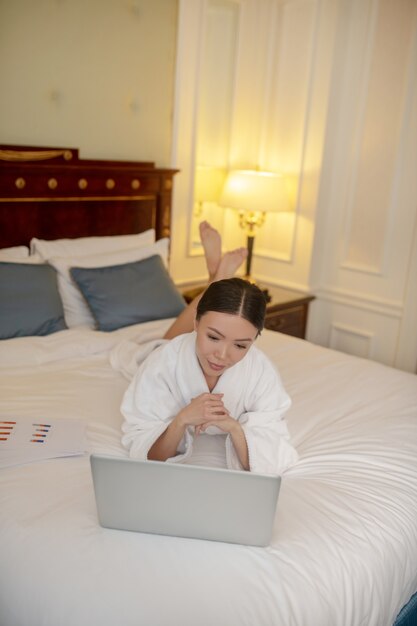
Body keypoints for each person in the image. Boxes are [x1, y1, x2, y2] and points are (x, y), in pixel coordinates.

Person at [121, 222, 298, 475]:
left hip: (192, 339)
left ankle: (216, 279)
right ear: (195, 323)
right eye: (214, 337)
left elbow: (273, 452)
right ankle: (215, 280)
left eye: (240, 345)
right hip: (168, 348)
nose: (222, 356)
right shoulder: (163, 363)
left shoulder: (259, 370)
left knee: (179, 340)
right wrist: (182, 419)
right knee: (164, 343)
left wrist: (234, 427)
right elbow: (146, 452)